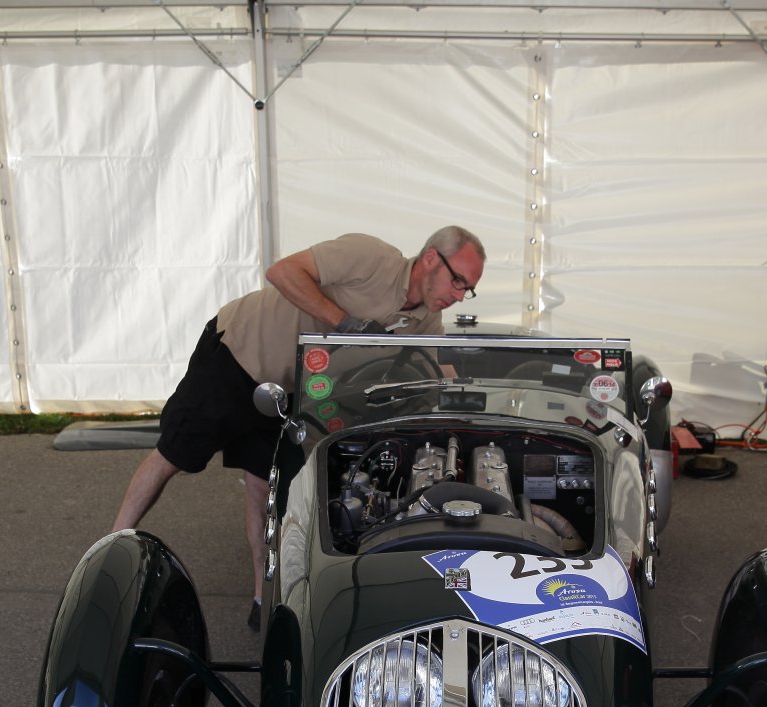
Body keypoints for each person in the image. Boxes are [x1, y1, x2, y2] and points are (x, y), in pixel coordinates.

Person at [112, 226, 487, 630]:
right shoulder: (369, 257)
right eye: (457, 280)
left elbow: (436, 369)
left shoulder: (426, 318)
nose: (459, 294)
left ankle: (262, 598)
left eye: (468, 289)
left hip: (292, 389)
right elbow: (282, 272)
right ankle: (109, 555)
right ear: (430, 259)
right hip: (240, 353)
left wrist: (475, 409)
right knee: (172, 455)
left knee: (264, 487)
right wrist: (345, 323)